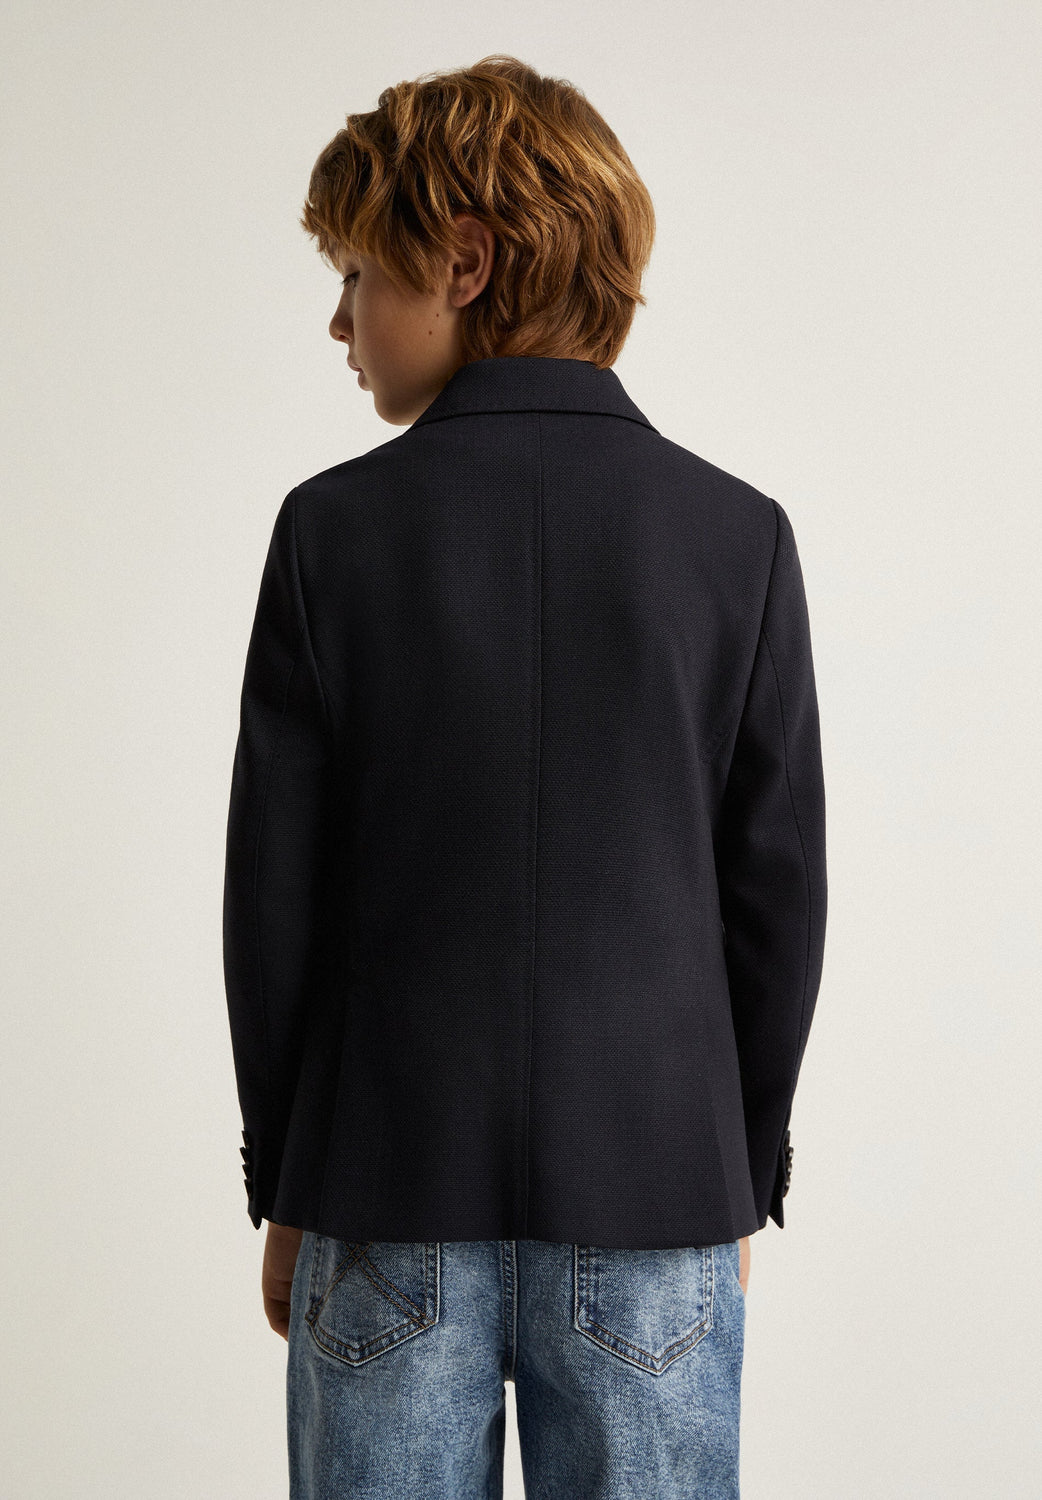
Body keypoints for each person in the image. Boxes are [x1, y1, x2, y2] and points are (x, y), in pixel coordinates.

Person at [222, 54, 827, 1499]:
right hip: (657, 1187)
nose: (339, 320)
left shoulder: (330, 535)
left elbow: (274, 904)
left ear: (464, 261)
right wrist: (732, 1171)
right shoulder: (736, 537)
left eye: (358, 274)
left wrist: (290, 1180)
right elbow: (777, 899)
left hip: (380, 1183)